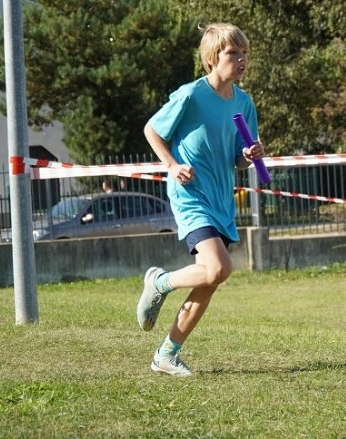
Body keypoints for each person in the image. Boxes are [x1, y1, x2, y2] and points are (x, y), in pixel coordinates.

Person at [136, 23, 264, 377]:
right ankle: (159, 282)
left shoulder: (244, 102)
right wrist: (173, 165)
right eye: (232, 53)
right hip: (190, 195)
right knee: (220, 268)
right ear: (211, 59)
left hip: (221, 199)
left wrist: (250, 154)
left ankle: (166, 354)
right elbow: (152, 130)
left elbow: (239, 156)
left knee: (209, 280)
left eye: (244, 53)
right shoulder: (191, 95)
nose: (241, 60)